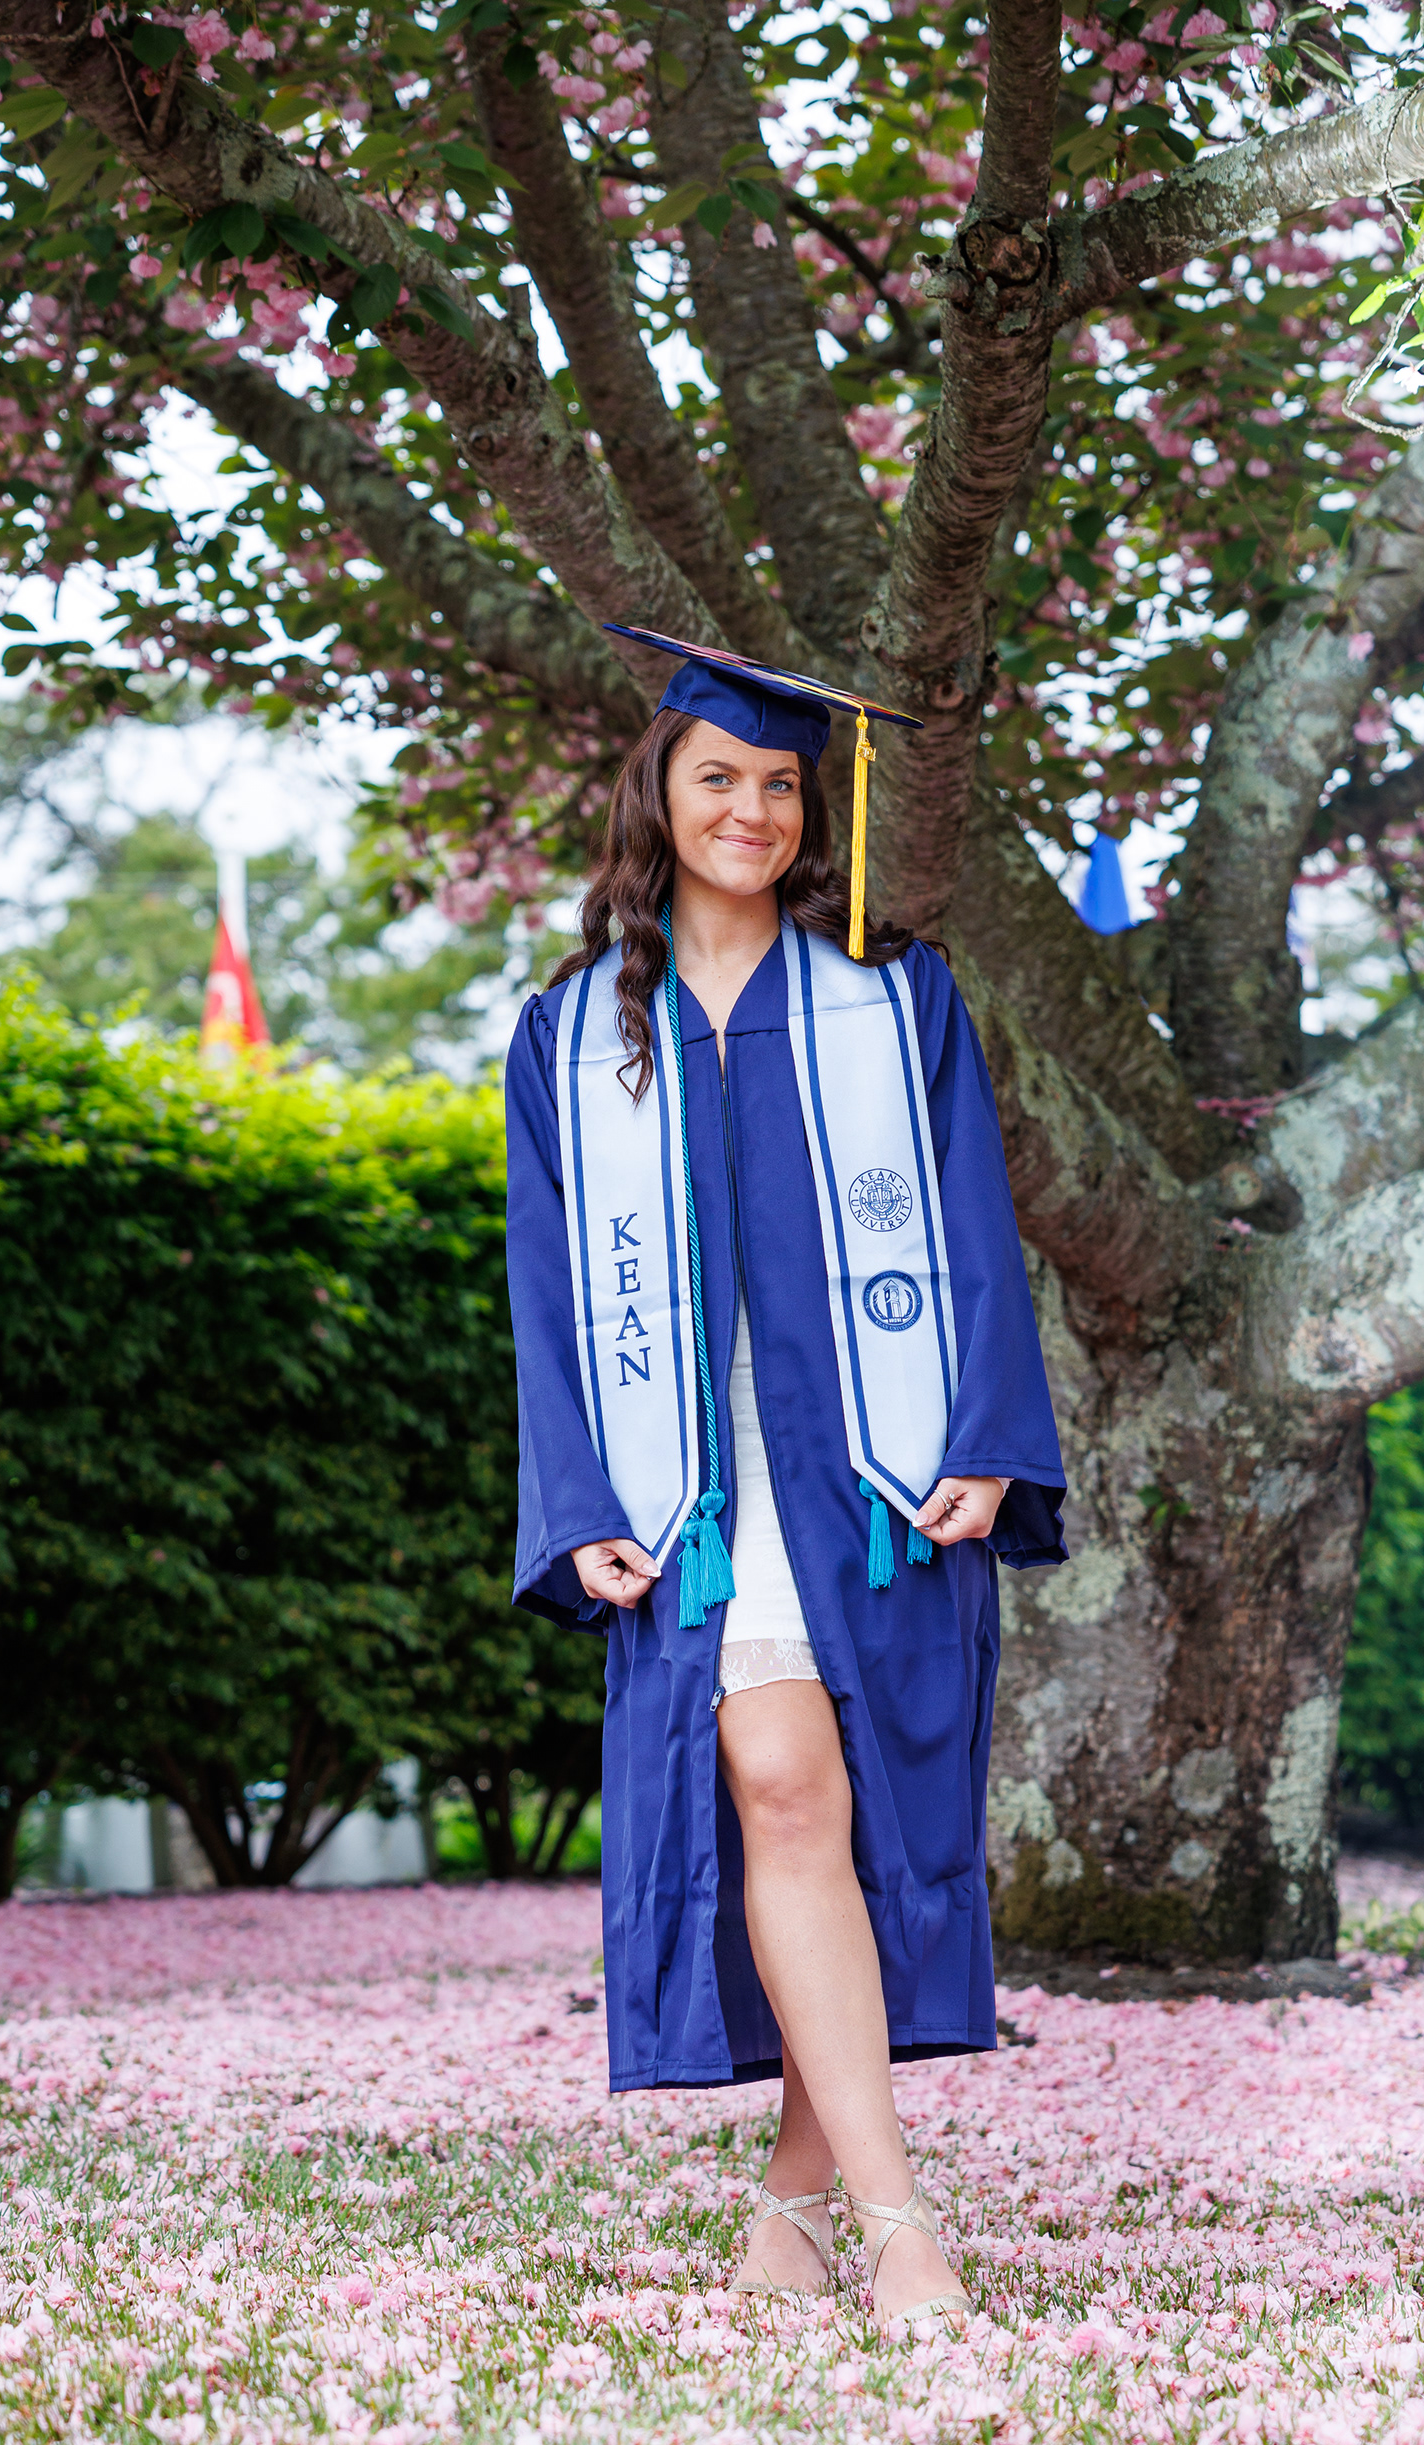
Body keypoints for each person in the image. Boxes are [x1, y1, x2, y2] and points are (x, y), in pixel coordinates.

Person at [505, 631, 1068, 2334]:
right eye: (716, 778)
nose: (749, 809)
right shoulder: (568, 1035)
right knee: (780, 1784)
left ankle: (796, 2214)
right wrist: (575, 1503)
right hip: (693, 1482)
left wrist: (989, 1435)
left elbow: (974, 1222)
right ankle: (902, 2233)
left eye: (776, 783)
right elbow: (546, 1294)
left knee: (848, 1811)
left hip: (874, 1466)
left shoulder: (894, 998)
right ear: (657, 795)